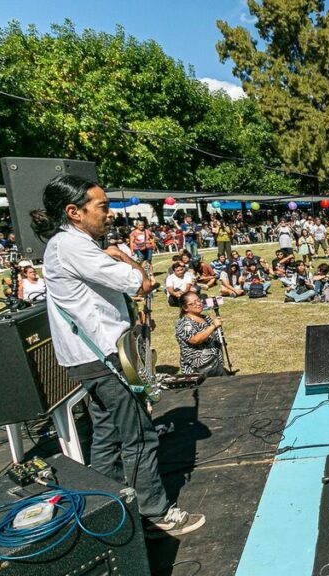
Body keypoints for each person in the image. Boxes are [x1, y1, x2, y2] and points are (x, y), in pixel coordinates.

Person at [33, 175, 204, 538]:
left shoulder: (68, 245)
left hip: (89, 356)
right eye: (102, 206)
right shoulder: (73, 247)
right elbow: (141, 283)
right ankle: (154, 512)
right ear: (74, 212)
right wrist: (125, 256)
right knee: (139, 435)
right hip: (104, 356)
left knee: (107, 434)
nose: (109, 214)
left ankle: (105, 504)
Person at [174, 292, 227, 377]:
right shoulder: (184, 323)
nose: (198, 304)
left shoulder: (205, 317)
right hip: (199, 368)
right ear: (185, 308)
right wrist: (213, 326)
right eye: (193, 303)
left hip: (214, 363)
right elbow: (195, 340)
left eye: (199, 300)